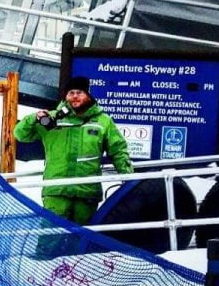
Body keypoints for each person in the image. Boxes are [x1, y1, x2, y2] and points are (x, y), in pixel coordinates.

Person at [13, 75, 133, 224]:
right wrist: (33, 118)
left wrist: (129, 180)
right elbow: (20, 134)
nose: (75, 96)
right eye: (71, 93)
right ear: (66, 96)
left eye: (79, 92)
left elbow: (118, 151)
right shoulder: (52, 119)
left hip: (87, 193)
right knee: (51, 235)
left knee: (82, 235)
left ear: (88, 95)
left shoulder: (103, 121)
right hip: (56, 191)